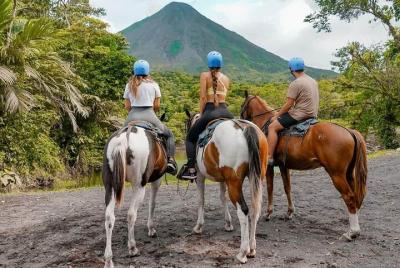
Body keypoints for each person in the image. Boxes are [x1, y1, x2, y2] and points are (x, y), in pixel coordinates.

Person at [178, 51, 234, 180]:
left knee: (190, 138)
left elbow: (203, 97)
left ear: (208, 64)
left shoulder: (204, 75)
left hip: (210, 112)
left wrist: (202, 114)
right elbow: (224, 98)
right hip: (226, 112)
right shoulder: (226, 78)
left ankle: (191, 169)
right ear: (221, 64)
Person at [124, 59, 177, 175]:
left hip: (132, 115)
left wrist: (134, 111)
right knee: (169, 135)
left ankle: (112, 161)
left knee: (119, 135)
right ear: (147, 71)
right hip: (149, 114)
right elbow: (157, 106)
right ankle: (170, 161)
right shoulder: (154, 85)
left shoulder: (129, 85)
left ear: (135, 71)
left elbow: (127, 106)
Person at [267, 57, 320, 166]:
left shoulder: (296, 83)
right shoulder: (312, 80)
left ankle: (269, 157)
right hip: (313, 114)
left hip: (300, 115)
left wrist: (277, 115)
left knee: (272, 127)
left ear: (291, 69)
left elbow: (288, 104)